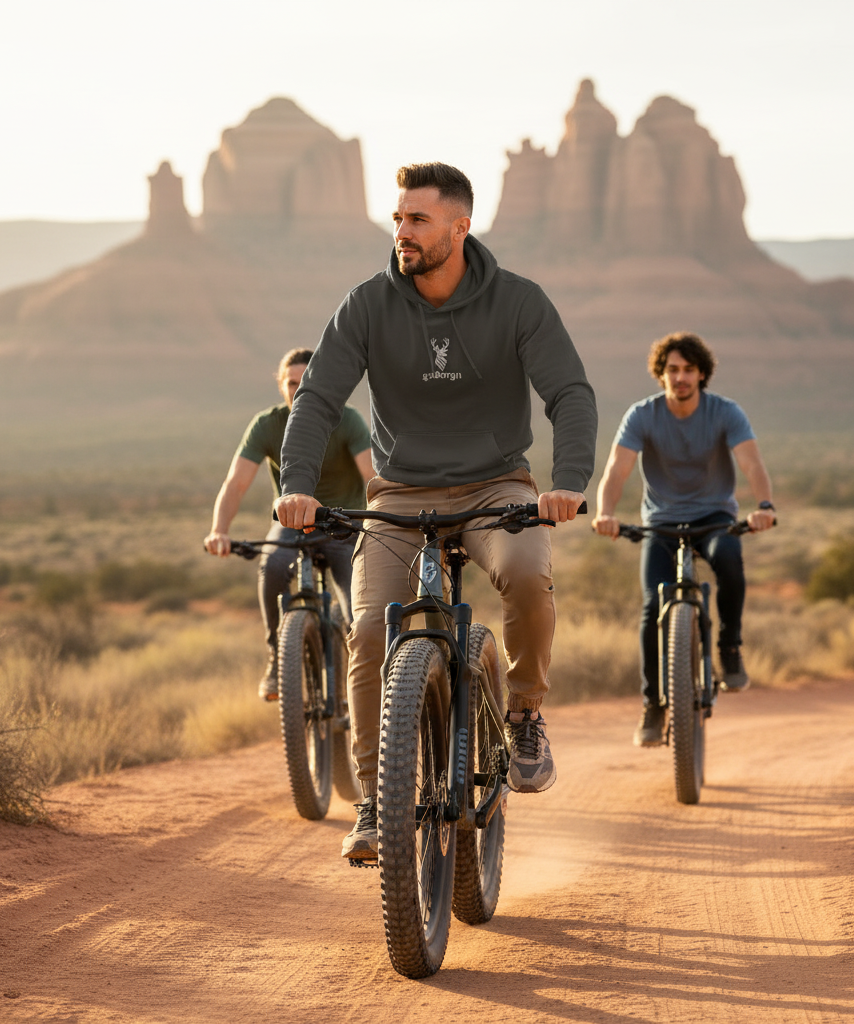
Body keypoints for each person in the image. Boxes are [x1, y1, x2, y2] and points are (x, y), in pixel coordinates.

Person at [275, 162, 597, 862]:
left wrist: (568, 481)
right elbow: (319, 400)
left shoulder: (518, 302)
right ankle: (373, 806)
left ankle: (524, 712)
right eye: (397, 218)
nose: (402, 231)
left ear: (460, 225)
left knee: (525, 572)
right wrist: (297, 483)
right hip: (399, 496)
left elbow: (569, 393)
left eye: (417, 219)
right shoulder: (367, 304)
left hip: (497, 488)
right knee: (366, 632)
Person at [591, 332, 776, 747]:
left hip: (713, 516)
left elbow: (752, 463)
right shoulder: (643, 415)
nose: (680, 377)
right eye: (672, 370)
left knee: (729, 557)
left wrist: (764, 505)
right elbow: (616, 472)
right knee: (653, 603)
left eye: (688, 369)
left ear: (702, 373)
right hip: (662, 521)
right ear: (661, 374)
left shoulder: (725, 412)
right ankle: (653, 706)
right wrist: (605, 513)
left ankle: (729, 647)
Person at [205, 347, 373, 700]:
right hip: (292, 523)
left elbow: (372, 475)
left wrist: (382, 521)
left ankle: (364, 690)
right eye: (291, 383)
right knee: (272, 566)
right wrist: (219, 530)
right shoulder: (268, 425)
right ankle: (277, 657)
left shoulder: (348, 421)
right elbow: (235, 483)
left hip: (344, 525)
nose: (299, 390)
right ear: (280, 385)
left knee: (355, 618)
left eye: (306, 381)